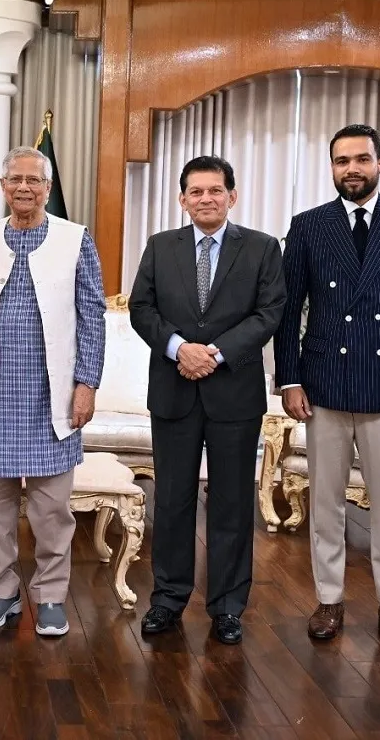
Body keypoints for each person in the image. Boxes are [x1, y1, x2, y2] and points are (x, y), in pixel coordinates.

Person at [274, 123, 380, 650]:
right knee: (325, 501)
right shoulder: (307, 226)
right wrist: (289, 378)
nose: (352, 168)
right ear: (332, 167)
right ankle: (329, 599)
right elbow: (286, 310)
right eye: (342, 160)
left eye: (362, 159)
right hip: (322, 384)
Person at [128, 156, 285, 644]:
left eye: (215, 190)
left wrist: (214, 353)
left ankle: (228, 607)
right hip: (174, 391)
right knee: (171, 501)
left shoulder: (260, 248)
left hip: (233, 394)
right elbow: (141, 308)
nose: (206, 199)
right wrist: (180, 348)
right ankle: (168, 600)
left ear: (231, 196)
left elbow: (270, 312)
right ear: (182, 199)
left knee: (232, 504)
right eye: (196, 192)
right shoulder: (160, 247)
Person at [0, 146, 107, 639]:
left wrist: (87, 384)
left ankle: (52, 596)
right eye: (15, 179)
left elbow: (92, 319)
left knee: (51, 509)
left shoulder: (75, 239)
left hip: (53, 396)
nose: (23, 187)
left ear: (47, 186)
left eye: (33, 180)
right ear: (3, 186)